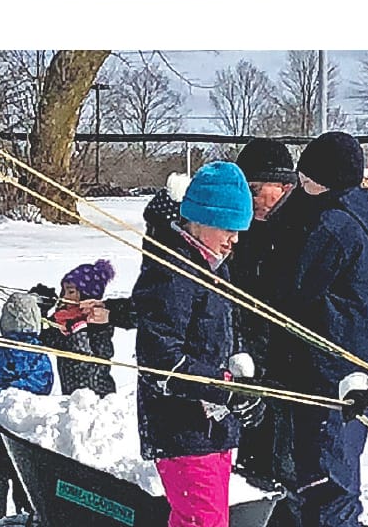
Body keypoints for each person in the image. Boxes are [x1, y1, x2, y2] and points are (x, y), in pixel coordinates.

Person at [134, 161, 258, 527]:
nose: (234, 238)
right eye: (228, 227)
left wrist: (242, 384)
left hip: (210, 427)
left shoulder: (213, 266)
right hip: (180, 427)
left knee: (211, 520)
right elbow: (159, 360)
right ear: (200, 219)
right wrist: (223, 389)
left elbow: (224, 336)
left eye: (240, 230)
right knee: (201, 522)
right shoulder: (172, 271)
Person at [275, 132, 368, 527]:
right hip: (339, 368)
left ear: (328, 181)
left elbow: (295, 287)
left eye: (308, 178)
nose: (301, 185)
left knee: (328, 483)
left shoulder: (333, 226)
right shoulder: (341, 213)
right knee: (325, 476)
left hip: (331, 371)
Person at [227, 138, 302, 509]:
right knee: (252, 470)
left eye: (256, 190)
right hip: (249, 365)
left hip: (289, 372)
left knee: (286, 472)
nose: (251, 199)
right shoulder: (246, 231)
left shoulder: (302, 231)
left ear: (284, 186)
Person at [0, 291, 54, 527]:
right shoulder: (38, 356)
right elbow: (45, 385)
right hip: (23, 435)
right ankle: (29, 521)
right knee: (26, 485)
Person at [31, 258, 131, 396]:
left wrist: (81, 331)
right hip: (72, 396)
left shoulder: (98, 322)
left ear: (86, 295)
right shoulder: (63, 317)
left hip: (98, 396)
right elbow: (45, 338)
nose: (65, 296)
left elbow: (97, 353)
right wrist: (39, 309)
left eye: (71, 292)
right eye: (64, 291)